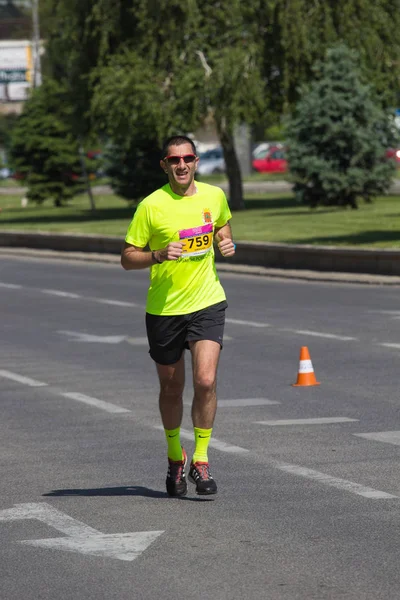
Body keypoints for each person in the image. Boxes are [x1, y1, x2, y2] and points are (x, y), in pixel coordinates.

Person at [121, 134, 235, 497]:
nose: (181, 165)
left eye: (188, 158)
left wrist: (225, 241)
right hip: (165, 309)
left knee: (205, 381)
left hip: (207, 301)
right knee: (171, 388)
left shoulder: (214, 196)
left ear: (196, 161)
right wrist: (155, 255)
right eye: (174, 160)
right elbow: (127, 257)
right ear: (165, 165)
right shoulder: (151, 206)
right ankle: (175, 457)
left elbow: (221, 224)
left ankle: (201, 462)